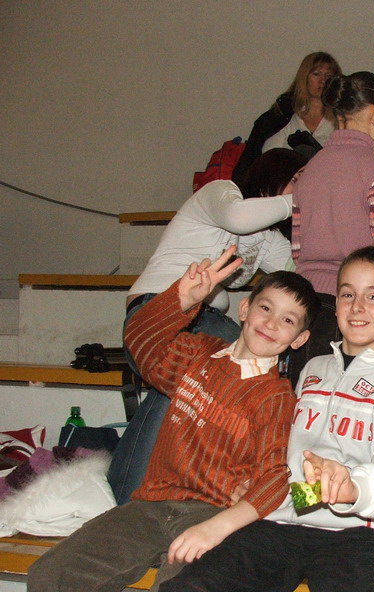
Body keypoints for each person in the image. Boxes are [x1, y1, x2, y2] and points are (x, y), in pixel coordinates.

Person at [28, 247, 321, 592]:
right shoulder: (198, 352)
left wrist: (217, 527)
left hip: (211, 514)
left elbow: (274, 479)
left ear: (299, 339)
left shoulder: (276, 398)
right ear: (244, 309)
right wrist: (182, 298)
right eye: (266, 308)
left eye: (288, 320)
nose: (272, 323)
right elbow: (141, 346)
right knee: (50, 576)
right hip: (148, 505)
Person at [155, 245, 374, 592]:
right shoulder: (313, 369)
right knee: (187, 591)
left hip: (359, 533)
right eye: (347, 294)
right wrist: (251, 483)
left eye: (373, 297)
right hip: (280, 522)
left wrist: (354, 488)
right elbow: (280, 450)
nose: (357, 306)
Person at [109, 148, 307, 505]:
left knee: (188, 389)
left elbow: (303, 277)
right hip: (161, 307)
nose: (301, 189)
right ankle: (140, 497)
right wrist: (304, 198)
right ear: (273, 174)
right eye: (297, 180)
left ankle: (141, 495)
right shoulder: (220, 192)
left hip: (207, 321)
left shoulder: (267, 239)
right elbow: (239, 217)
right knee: (234, 358)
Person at [288, 71, 374, 385]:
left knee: (305, 394)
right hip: (354, 307)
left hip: (305, 305)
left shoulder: (311, 168)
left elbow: (298, 249)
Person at [233, 52, 341, 184]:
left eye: (328, 76)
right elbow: (265, 158)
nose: (323, 80)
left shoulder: (342, 119)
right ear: (304, 78)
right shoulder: (282, 115)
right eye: (316, 74)